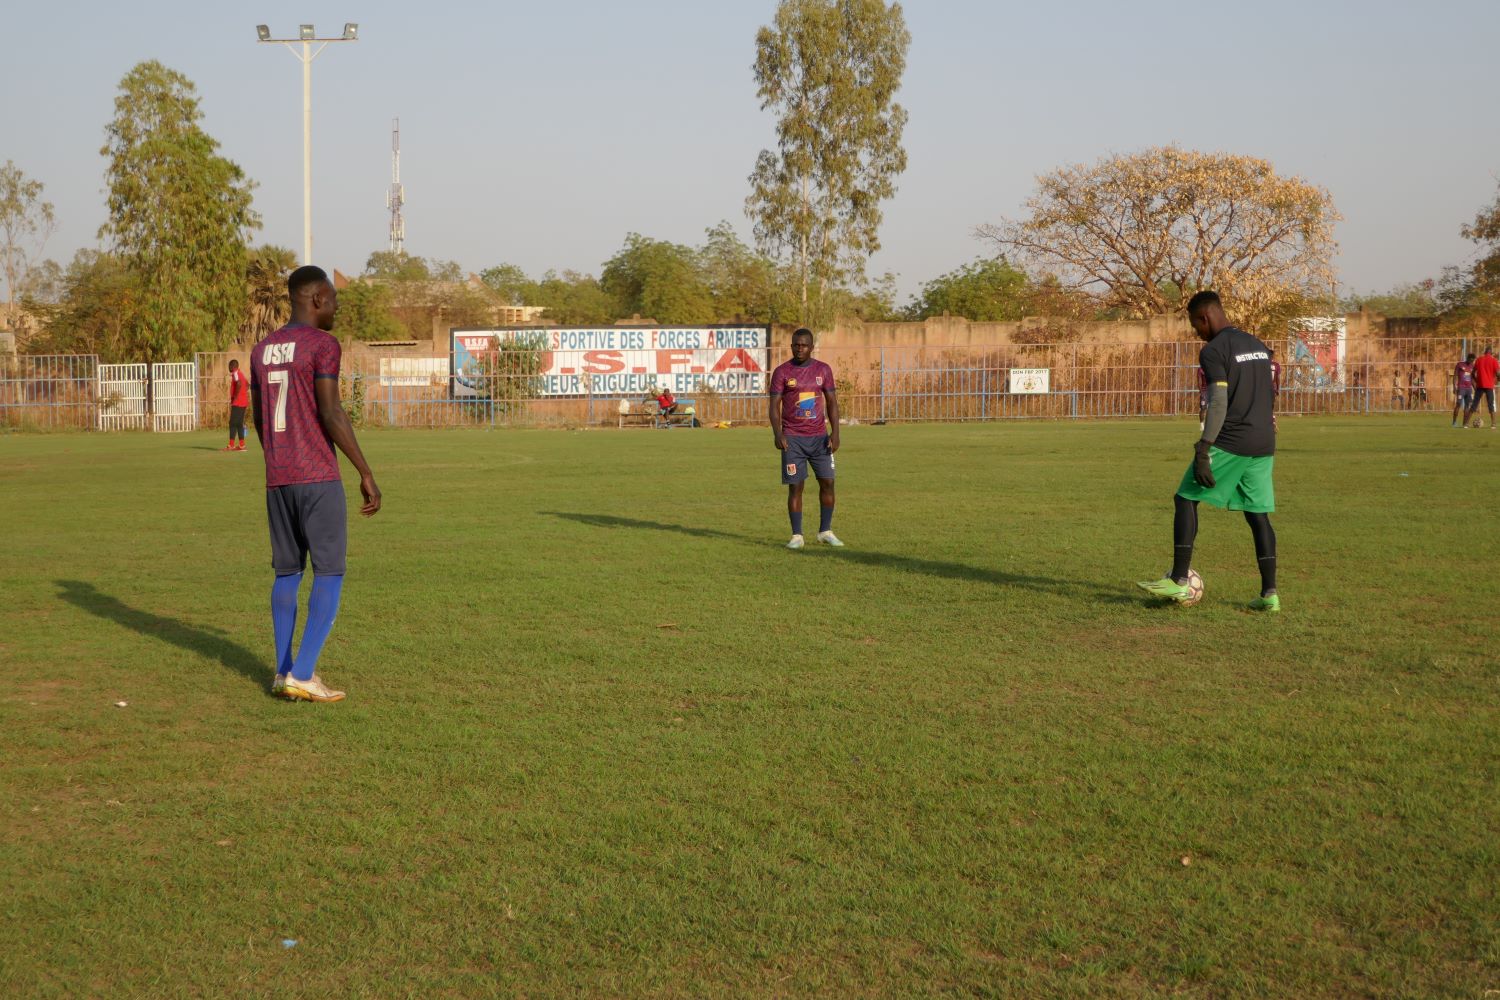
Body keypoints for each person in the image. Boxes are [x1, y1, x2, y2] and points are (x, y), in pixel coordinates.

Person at [250, 265, 381, 702]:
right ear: (317, 299)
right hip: (317, 476)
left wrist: (277, 460)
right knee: (330, 571)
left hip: (278, 478)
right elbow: (332, 413)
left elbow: (260, 417)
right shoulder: (324, 345)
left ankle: (282, 670)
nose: (337, 306)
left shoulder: (261, 349)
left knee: (287, 571)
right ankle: (303, 674)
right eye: (334, 298)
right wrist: (364, 470)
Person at [1139, 291, 1279, 612]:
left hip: (1232, 440)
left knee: (1185, 498)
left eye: (1195, 325)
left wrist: (1204, 448)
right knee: (1258, 514)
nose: (1196, 333)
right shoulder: (1258, 346)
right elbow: (1270, 392)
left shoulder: (1214, 350)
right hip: (1264, 442)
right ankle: (1269, 594)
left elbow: (1218, 401)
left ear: (1205, 318)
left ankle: (1177, 580)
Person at [769, 327, 841, 549]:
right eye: (796, 345)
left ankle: (825, 531)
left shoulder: (823, 370)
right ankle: (797, 536)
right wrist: (778, 432)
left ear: (811, 347)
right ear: (791, 346)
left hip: (819, 438)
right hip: (793, 439)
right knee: (796, 487)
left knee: (828, 483)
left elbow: (831, 402)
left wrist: (835, 432)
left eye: (804, 345)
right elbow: (774, 406)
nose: (800, 348)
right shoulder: (782, 372)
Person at [1464, 346, 1498, 428]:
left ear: (1485, 352)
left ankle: (1466, 424)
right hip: (1489, 386)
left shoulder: (1479, 359)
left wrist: (1476, 381)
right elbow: (1498, 373)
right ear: (1491, 353)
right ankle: (1493, 424)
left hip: (1480, 385)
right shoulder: (1494, 361)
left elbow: (1473, 373)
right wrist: (1498, 379)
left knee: (1474, 404)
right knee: (1491, 404)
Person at [224, 359, 250, 451]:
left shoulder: (235, 373)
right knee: (239, 423)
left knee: (232, 423)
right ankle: (242, 445)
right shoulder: (240, 373)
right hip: (243, 402)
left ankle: (231, 445)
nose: (229, 368)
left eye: (229, 366)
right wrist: (243, 394)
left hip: (238, 402)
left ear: (232, 367)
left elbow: (238, 383)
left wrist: (235, 396)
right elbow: (247, 385)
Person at [1452, 353, 1476, 427]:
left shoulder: (1473, 366)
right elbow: (1455, 375)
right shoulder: (1460, 364)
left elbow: (1472, 379)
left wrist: (1475, 388)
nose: (1471, 361)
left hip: (1469, 389)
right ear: (1467, 358)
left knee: (1467, 406)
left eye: (1473, 360)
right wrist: (1454, 386)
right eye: (1470, 359)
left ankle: (1465, 423)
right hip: (1461, 387)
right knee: (1458, 404)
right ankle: (1454, 422)